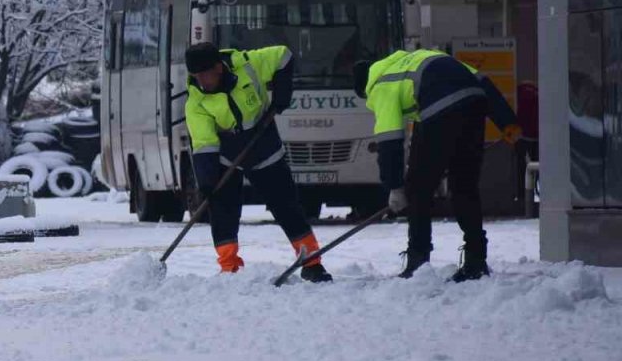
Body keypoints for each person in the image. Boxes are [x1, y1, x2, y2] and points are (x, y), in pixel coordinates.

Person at [353, 49, 521, 281]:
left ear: (364, 88)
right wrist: (506, 121)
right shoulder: (413, 60)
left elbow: (390, 140)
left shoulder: (380, 85)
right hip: (474, 102)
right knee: (464, 185)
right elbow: (479, 79)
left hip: (439, 108)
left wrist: (395, 187)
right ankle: (476, 259)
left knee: (418, 189)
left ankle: (418, 262)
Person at [184, 42, 332, 282]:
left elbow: (284, 56)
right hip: (227, 153)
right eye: (196, 76)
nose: (201, 80)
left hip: (263, 144)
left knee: (285, 204)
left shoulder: (247, 64)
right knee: (223, 209)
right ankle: (229, 268)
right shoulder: (196, 103)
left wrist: (282, 95)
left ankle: (312, 262)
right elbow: (204, 144)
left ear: (218, 68)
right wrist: (207, 182)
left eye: (205, 74)